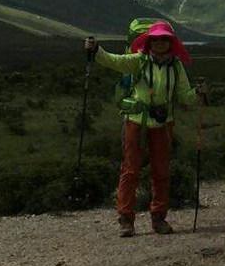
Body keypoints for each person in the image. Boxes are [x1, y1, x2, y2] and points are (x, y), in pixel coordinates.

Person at [84, 21, 199, 237]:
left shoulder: (176, 66)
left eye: (164, 39)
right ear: (149, 42)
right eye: (156, 39)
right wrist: (97, 50)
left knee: (161, 171)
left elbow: (184, 96)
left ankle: (158, 217)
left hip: (162, 123)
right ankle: (126, 219)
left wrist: (196, 95)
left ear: (170, 42)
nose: (160, 43)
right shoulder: (139, 61)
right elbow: (114, 62)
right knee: (131, 170)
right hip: (137, 121)